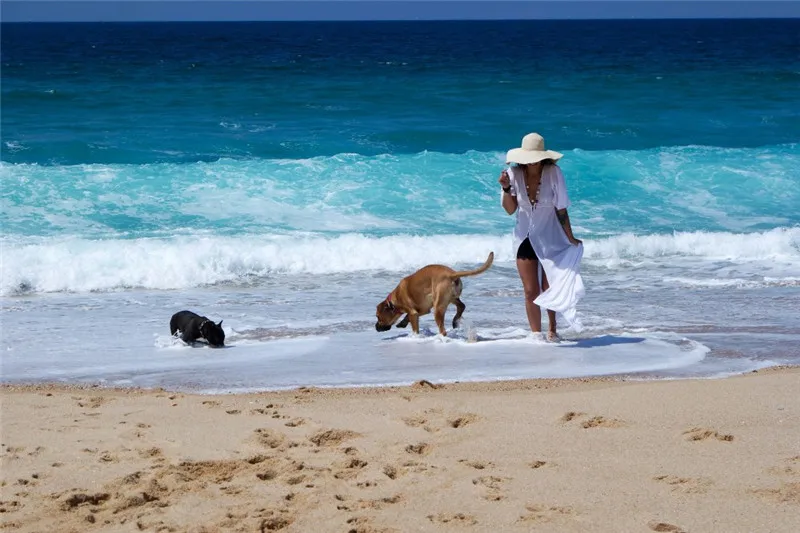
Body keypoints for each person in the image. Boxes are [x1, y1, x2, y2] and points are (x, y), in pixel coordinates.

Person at [498, 132, 585, 341]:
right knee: (530, 290)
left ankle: (552, 329)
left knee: (549, 287)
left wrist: (571, 238)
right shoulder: (512, 173)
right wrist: (505, 187)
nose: (531, 162)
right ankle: (536, 335)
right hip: (524, 237)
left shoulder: (554, 172)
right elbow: (510, 210)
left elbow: (561, 209)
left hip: (551, 236)